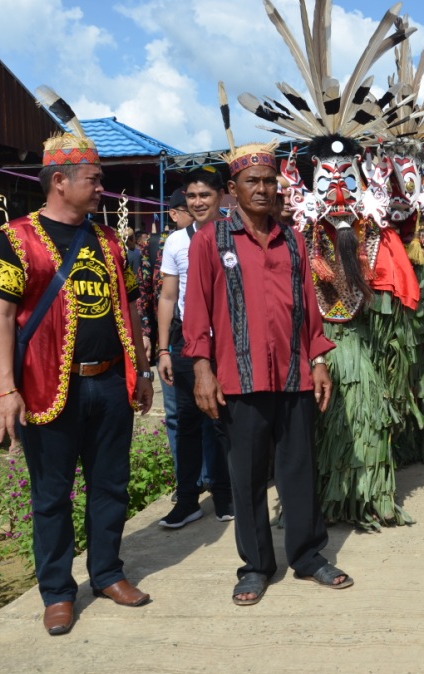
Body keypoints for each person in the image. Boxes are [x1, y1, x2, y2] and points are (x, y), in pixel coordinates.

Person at [0, 128, 154, 636]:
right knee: (52, 495)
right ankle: (57, 592)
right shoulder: (16, 238)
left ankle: (107, 574)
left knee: (111, 487)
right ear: (60, 181)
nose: (101, 188)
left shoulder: (107, 240)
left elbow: (130, 307)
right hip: (46, 388)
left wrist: (142, 370)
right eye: (95, 180)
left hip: (109, 386)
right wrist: (5, 390)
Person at [182, 140, 352, 604]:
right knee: (248, 475)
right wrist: (202, 370)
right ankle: (256, 566)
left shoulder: (292, 239)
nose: (261, 189)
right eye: (251, 181)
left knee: (299, 469)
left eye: (268, 181)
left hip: (294, 374)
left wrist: (318, 360)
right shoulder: (210, 241)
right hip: (238, 377)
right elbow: (195, 312)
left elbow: (308, 311)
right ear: (232, 189)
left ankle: (309, 556)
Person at [156, 169, 233, 528]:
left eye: (205, 195)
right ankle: (187, 499)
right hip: (188, 342)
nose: (198, 202)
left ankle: (226, 495)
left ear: (222, 196)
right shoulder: (175, 242)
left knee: (223, 422)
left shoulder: (236, 234)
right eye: (191, 196)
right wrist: (163, 351)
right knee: (186, 422)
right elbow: (168, 297)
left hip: (231, 344)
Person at [137, 187, 191, 474]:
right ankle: (185, 477)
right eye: (189, 207)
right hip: (166, 341)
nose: (197, 210)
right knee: (174, 412)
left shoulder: (210, 238)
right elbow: (143, 293)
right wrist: (146, 333)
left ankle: (210, 476)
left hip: (200, 338)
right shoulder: (157, 245)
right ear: (173, 213)